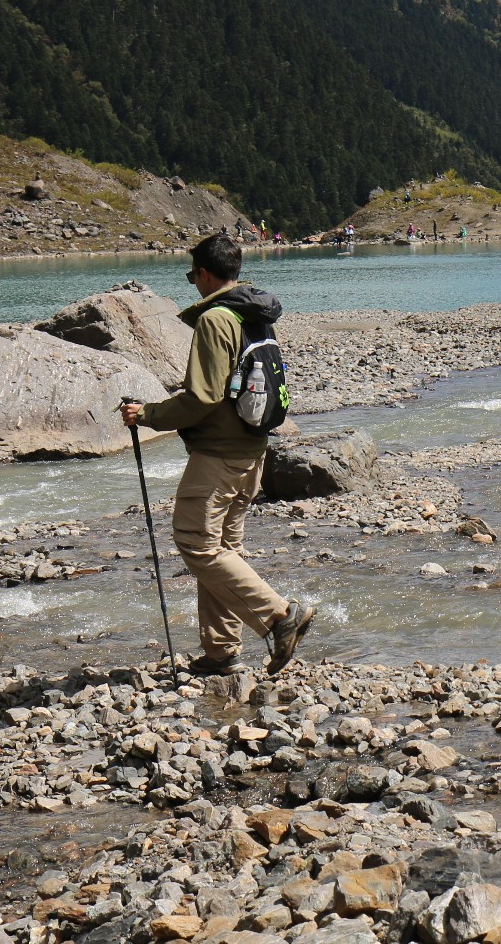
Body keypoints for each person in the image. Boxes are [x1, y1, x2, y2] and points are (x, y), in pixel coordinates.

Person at [120, 233, 313, 677]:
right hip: (252, 449)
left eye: (192, 276)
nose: (193, 283)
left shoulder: (215, 320)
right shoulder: (255, 314)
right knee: (224, 548)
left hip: (218, 455)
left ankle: (279, 617)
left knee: (196, 544)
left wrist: (147, 413)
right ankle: (221, 651)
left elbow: (203, 397)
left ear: (205, 274)